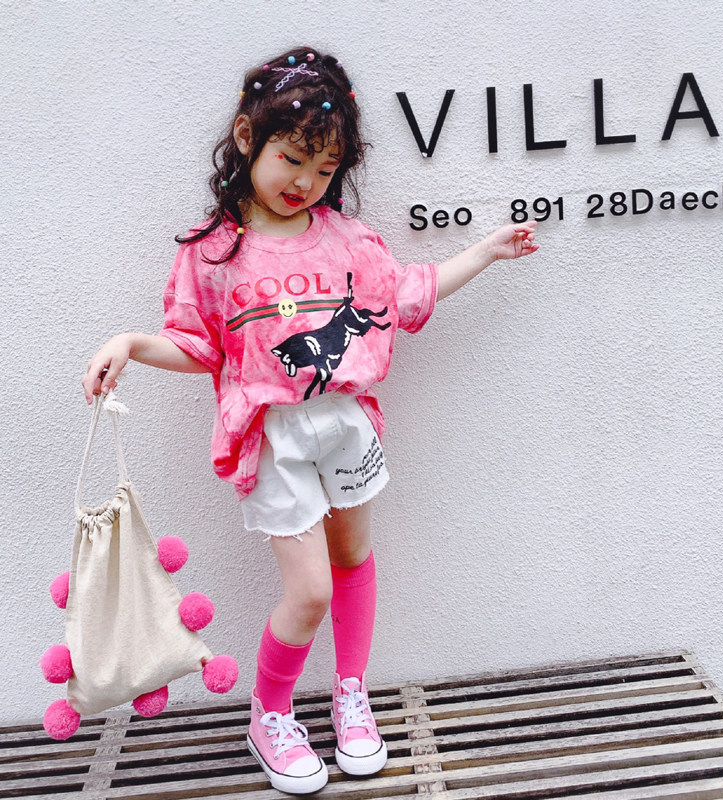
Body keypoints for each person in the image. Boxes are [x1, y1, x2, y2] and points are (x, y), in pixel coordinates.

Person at [81, 46, 538, 795]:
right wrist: (129, 343)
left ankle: (351, 694)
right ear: (246, 138)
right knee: (311, 592)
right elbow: (200, 347)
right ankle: (270, 714)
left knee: (354, 556)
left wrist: (486, 252)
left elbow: (408, 293)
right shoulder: (213, 253)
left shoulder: (349, 241)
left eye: (324, 169)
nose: (305, 182)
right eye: (293, 159)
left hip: (347, 421)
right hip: (272, 437)